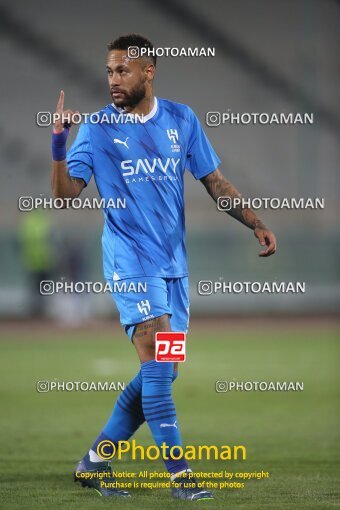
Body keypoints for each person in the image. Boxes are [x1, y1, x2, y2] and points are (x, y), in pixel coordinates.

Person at [51, 33, 276, 501]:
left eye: (122, 71)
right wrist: (58, 142)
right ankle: (181, 477)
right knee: (156, 358)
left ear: (148, 71)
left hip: (172, 264)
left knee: (165, 370)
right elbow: (65, 194)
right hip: (130, 261)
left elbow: (214, 181)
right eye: (109, 71)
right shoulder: (95, 128)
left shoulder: (181, 119)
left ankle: (94, 460)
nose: (113, 80)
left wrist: (255, 222)